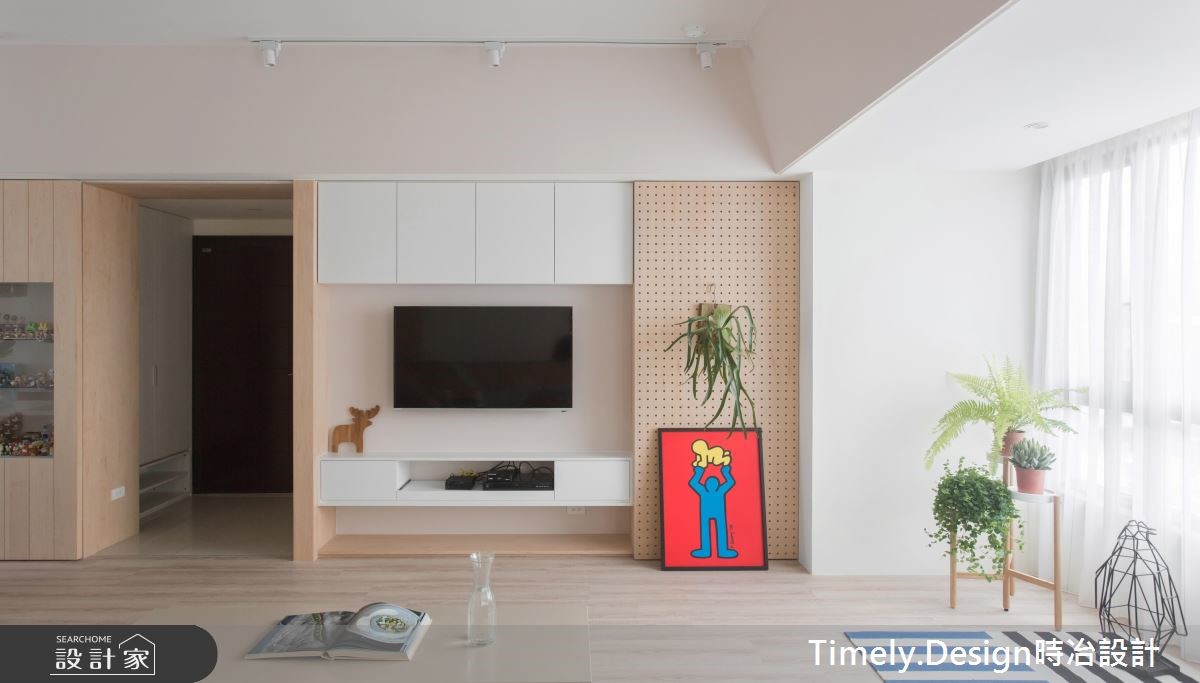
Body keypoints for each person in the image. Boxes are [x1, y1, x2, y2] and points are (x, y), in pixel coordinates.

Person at [688, 461, 738, 559]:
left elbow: (730, 482)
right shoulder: (705, 491)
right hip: (708, 513)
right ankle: (706, 550)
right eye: (709, 483)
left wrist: (726, 473)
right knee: (706, 530)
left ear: (717, 484)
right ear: (706, 484)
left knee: (720, 529)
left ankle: (722, 551)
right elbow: (692, 483)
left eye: (714, 483)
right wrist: (698, 473)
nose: (711, 484)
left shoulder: (716, 491)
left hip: (717, 513)